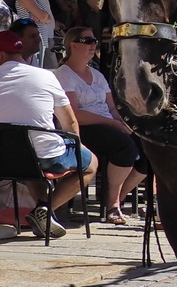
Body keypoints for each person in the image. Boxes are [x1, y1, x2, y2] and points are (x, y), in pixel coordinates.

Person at [0, 30, 95, 238]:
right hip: (46, 157)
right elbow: (70, 122)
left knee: (29, 161)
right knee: (91, 164)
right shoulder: (46, 76)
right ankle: (44, 209)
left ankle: (42, 211)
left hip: (4, 159)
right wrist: (78, 146)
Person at [55, 26, 149, 225]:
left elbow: (112, 107)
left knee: (147, 147)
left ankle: (117, 199)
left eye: (94, 41)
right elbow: (74, 114)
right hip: (82, 128)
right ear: (73, 45)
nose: (93, 45)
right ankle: (112, 204)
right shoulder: (64, 75)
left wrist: (124, 123)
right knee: (125, 146)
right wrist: (112, 123)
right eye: (87, 41)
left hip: (107, 124)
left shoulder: (96, 74)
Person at [12, 0, 56, 65]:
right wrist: (43, 17)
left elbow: (48, 18)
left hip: (39, 39)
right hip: (31, 40)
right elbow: (43, 16)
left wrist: (43, 17)